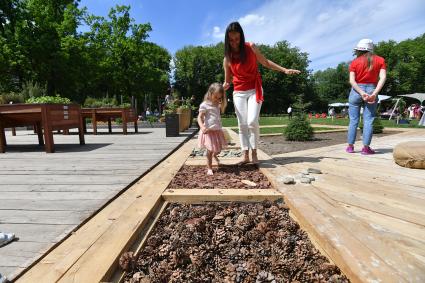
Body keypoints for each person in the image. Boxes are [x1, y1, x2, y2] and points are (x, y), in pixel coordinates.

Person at [223, 22, 300, 164]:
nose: (234, 43)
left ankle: (254, 153)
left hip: (254, 88)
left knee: (252, 121)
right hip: (238, 91)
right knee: (242, 124)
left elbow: (265, 62)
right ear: (227, 40)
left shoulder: (251, 47)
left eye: (237, 39)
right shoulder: (227, 58)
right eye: (231, 40)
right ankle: (245, 155)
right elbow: (228, 81)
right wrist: (222, 87)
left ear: (241, 37)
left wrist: (284, 70)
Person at [346, 38, 386, 155]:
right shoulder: (380, 60)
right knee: (368, 121)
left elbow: (352, 81)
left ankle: (350, 147)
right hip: (372, 88)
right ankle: (366, 148)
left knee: (353, 120)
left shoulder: (354, 62)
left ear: (359, 49)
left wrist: (361, 92)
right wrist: (374, 93)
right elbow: (383, 78)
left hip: (356, 91)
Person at [197, 83, 227, 175]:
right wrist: (202, 127)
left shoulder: (218, 103)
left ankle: (215, 155)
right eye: (216, 97)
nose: (218, 99)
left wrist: (220, 102)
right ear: (210, 93)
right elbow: (199, 117)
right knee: (209, 150)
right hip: (208, 131)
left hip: (217, 130)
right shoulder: (204, 105)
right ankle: (209, 168)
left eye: (219, 98)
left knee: (218, 149)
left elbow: (219, 112)